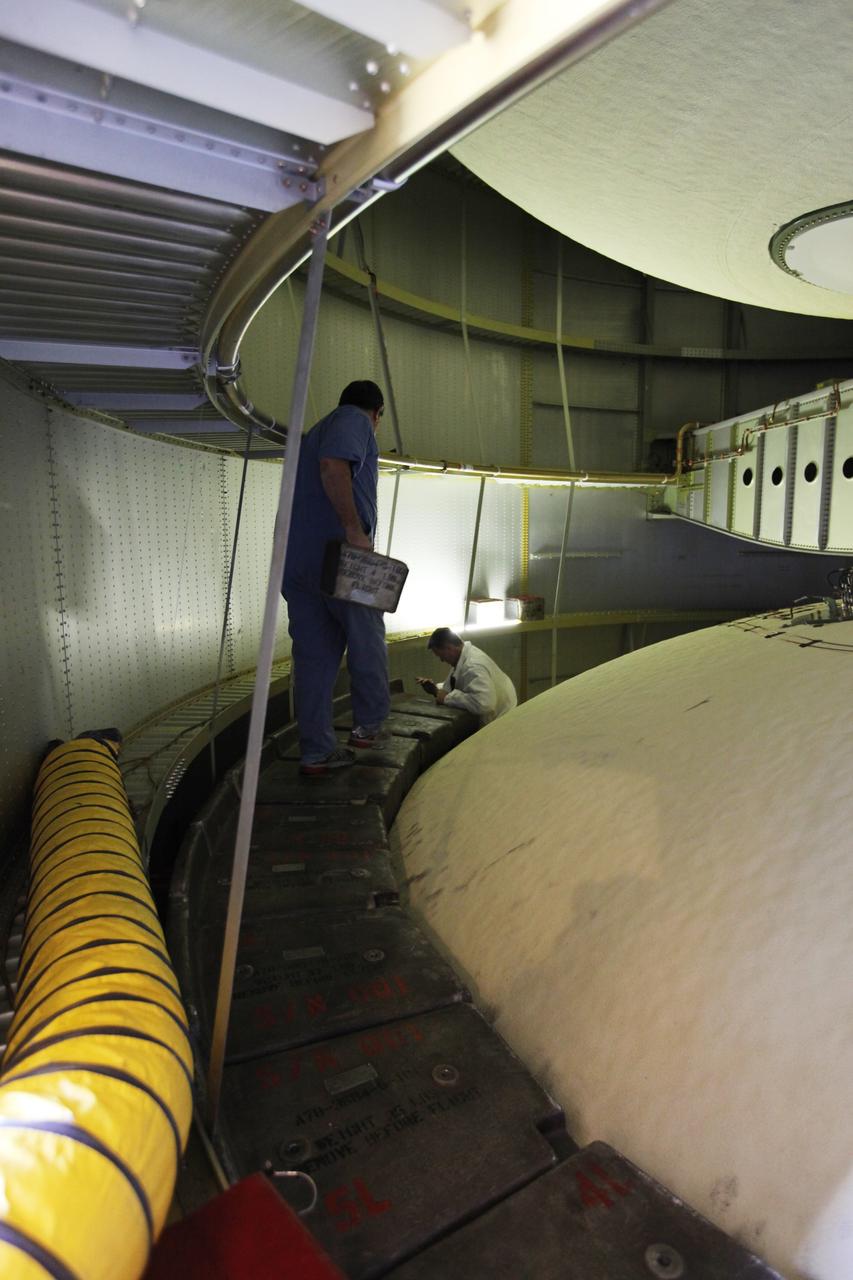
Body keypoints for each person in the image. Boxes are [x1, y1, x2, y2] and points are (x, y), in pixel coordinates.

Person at [283, 381, 390, 775]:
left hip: (300, 563)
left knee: (313, 659)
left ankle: (316, 752)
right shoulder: (353, 421)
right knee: (367, 639)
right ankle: (370, 727)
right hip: (343, 559)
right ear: (377, 413)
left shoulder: (315, 432)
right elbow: (334, 466)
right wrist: (354, 531)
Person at [416, 627, 517, 725]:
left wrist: (447, 698)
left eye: (441, 656)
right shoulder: (463, 657)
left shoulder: (473, 666)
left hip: (500, 722)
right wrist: (435, 690)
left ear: (449, 648)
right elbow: (460, 684)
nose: (442, 660)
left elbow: (484, 704)